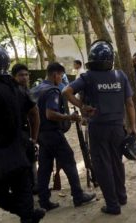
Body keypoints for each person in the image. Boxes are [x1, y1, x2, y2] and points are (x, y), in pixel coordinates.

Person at [63, 40, 136, 215]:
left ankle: (112, 205)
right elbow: (130, 103)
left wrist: (82, 106)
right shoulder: (120, 76)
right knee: (117, 162)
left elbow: (66, 91)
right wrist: (132, 126)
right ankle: (121, 196)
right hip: (118, 128)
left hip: (98, 129)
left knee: (102, 165)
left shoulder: (87, 77)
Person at [0, 44, 45, 223]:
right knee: (23, 191)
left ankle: (28, 221)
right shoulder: (17, 88)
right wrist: (33, 139)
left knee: (0, 195)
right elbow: (34, 113)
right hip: (21, 149)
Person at [30, 63, 96, 211]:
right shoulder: (52, 91)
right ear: (55, 75)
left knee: (45, 167)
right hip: (52, 133)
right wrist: (70, 117)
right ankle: (78, 196)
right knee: (69, 161)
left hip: (40, 134)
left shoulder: (36, 89)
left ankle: (44, 200)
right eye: (61, 75)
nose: (61, 79)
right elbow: (50, 114)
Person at [11, 64, 40, 194]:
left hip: (25, 135)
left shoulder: (28, 92)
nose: (24, 77)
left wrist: (34, 138)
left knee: (31, 162)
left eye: (26, 74)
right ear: (14, 77)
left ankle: (34, 186)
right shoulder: (11, 92)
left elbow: (35, 115)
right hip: (14, 136)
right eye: (20, 75)